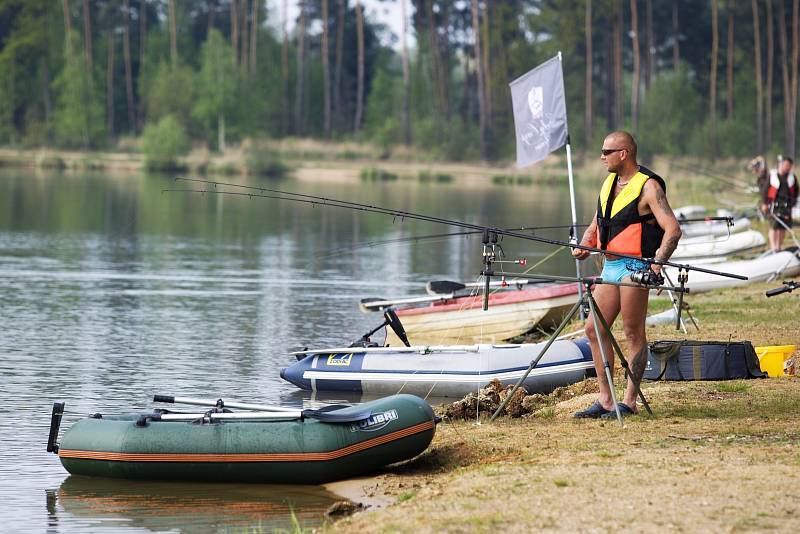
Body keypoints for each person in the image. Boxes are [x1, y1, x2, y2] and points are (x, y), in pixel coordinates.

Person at [571, 131, 682, 419]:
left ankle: (629, 402)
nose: (601, 156)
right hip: (610, 266)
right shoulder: (609, 182)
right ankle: (606, 400)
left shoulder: (649, 187)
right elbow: (598, 222)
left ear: (624, 153)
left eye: (606, 151)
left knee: (633, 334)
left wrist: (656, 265)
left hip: (636, 267)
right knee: (594, 330)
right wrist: (586, 244)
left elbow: (673, 229)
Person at [761, 157, 798, 252]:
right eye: (786, 165)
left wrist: (793, 202)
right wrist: (764, 203)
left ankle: (779, 246)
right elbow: (765, 190)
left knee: (782, 227)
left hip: (786, 206)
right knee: (774, 226)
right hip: (774, 206)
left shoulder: (792, 177)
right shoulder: (772, 175)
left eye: (789, 166)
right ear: (781, 164)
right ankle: (774, 248)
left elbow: (796, 191)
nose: (788, 167)